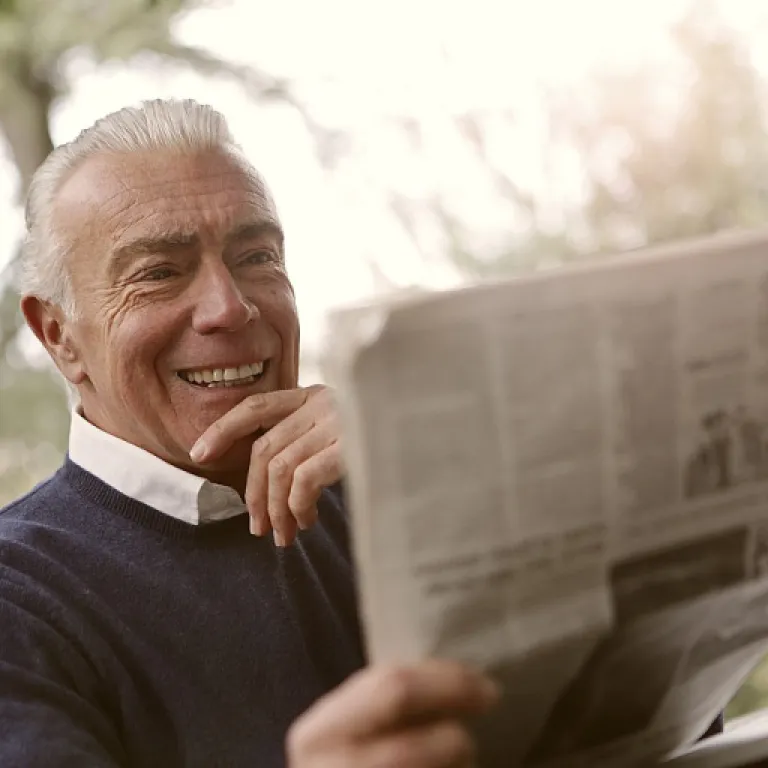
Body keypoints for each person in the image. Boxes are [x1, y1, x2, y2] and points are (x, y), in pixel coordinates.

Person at [0, 99, 499, 768]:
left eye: (257, 256)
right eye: (159, 272)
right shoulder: (19, 597)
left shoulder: (388, 486)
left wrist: (421, 458)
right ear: (59, 335)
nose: (230, 307)